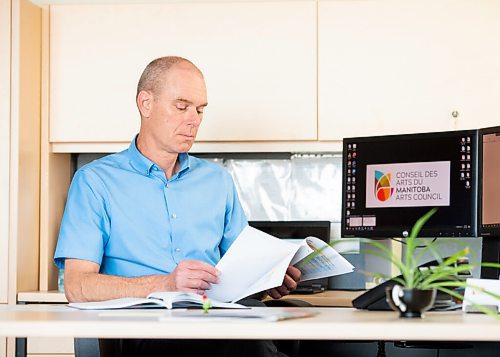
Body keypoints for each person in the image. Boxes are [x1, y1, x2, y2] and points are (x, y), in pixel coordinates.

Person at [54, 56, 301, 356]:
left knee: (306, 330)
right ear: (145, 104)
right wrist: (166, 284)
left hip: (218, 317)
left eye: (199, 110)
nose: (194, 119)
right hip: (145, 328)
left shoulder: (217, 181)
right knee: (247, 344)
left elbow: (242, 271)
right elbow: (78, 286)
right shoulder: (94, 182)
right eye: (181, 106)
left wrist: (268, 280)